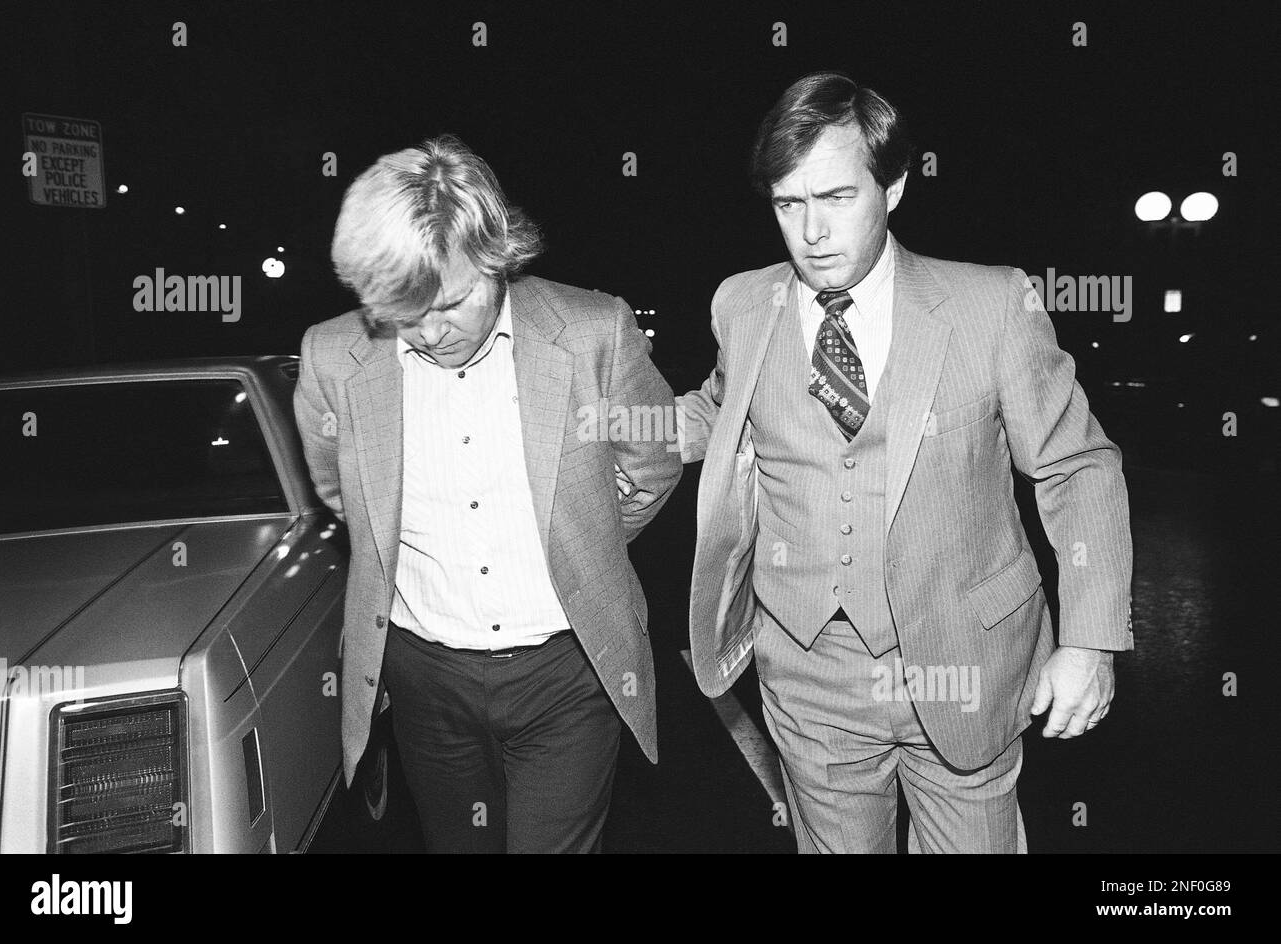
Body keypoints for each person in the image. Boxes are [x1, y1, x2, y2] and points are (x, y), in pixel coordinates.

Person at [673, 72, 1134, 853]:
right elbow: (720, 410)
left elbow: (1077, 466)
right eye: (789, 204)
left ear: (893, 187)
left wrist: (1090, 643)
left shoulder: (991, 307)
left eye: (837, 198)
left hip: (967, 659)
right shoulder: (743, 305)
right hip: (809, 667)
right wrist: (612, 432)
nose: (812, 231)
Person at [294, 135, 681, 852]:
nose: (434, 332)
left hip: (568, 674)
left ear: (498, 256)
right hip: (423, 679)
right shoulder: (330, 358)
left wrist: (574, 546)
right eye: (406, 312)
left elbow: (653, 464)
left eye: (454, 300)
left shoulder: (595, 331)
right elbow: (343, 496)